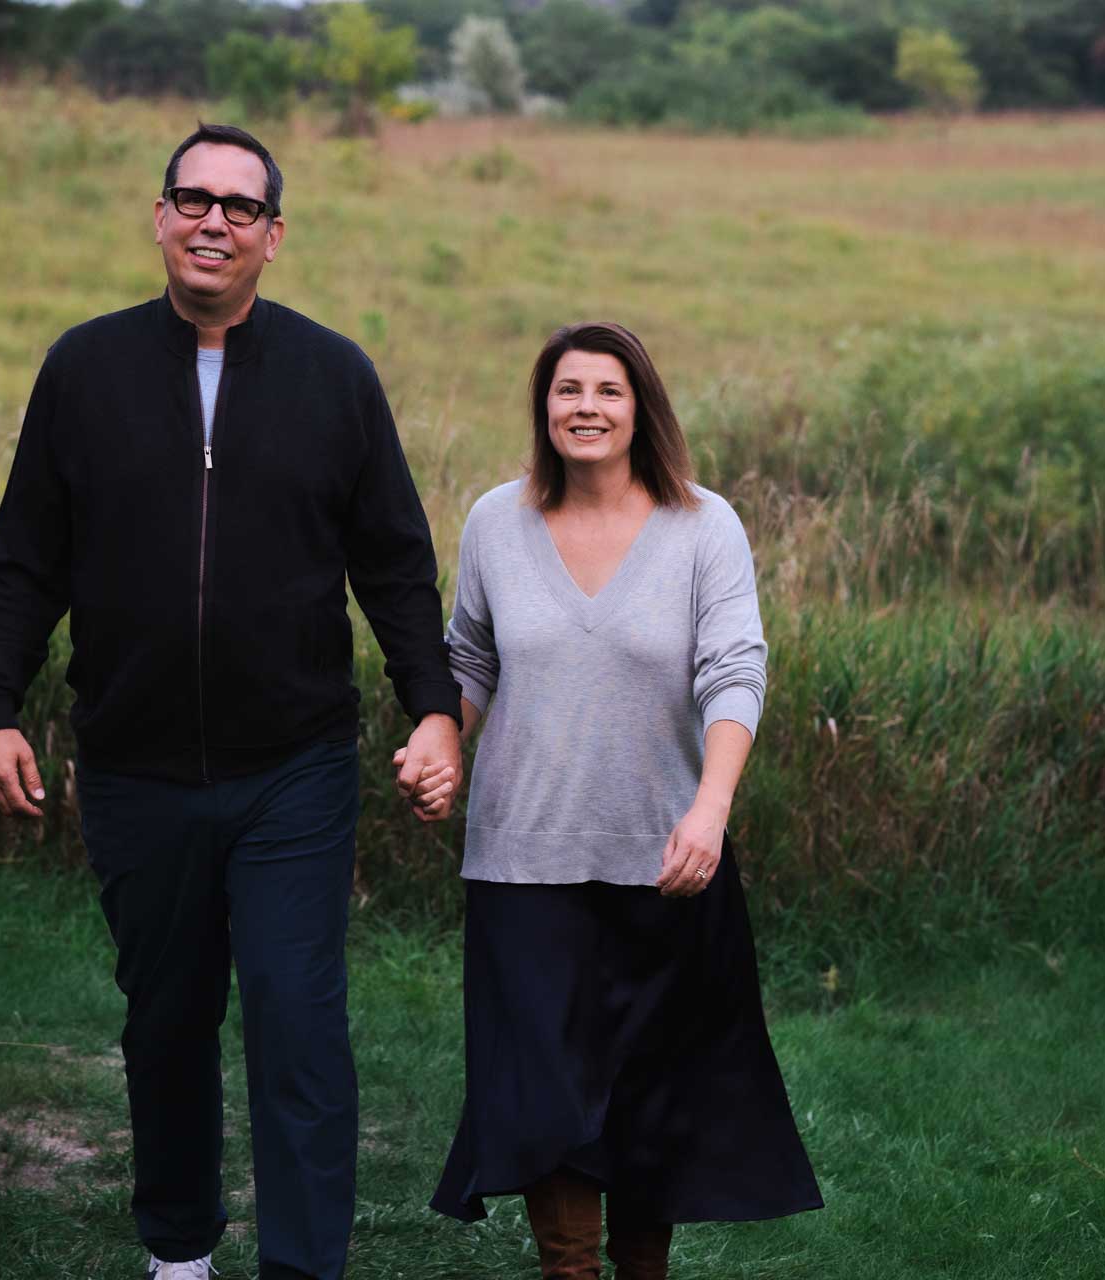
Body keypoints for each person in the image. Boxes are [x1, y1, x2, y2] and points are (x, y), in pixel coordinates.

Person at [0, 123, 464, 1280]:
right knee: (167, 1020)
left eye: (239, 207)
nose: (213, 221)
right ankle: (178, 1252)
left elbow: (393, 561)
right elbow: (26, 558)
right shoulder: (82, 370)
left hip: (294, 763)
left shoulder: (335, 376)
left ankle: (301, 1266)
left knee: (297, 1021)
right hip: (135, 764)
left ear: (273, 237)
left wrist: (431, 704)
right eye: (192, 198)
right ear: (160, 217)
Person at [401, 322, 822, 1278]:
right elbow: (469, 658)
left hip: (666, 861)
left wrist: (710, 808)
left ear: (642, 411)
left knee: (650, 1106)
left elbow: (735, 671)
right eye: (566, 390)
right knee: (546, 1104)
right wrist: (441, 739)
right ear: (543, 408)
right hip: (522, 861)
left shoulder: (702, 525)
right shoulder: (493, 523)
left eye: (607, 391)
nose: (584, 407)